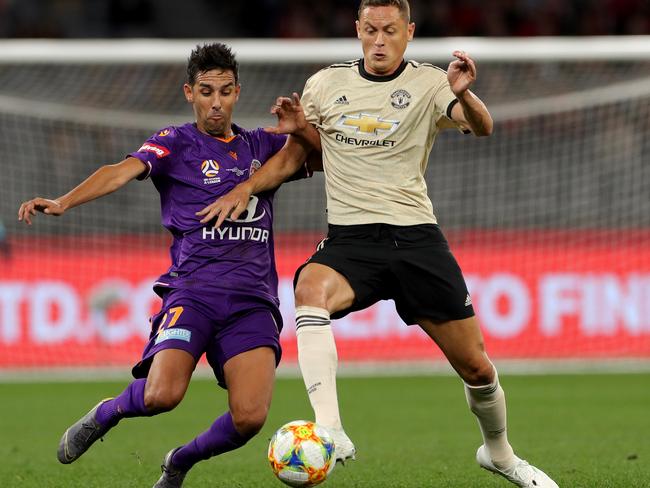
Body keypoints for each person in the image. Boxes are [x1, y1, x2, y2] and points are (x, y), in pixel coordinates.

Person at [197, 1, 560, 487]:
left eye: (390, 30)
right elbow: (297, 158)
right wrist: (248, 185)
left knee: (476, 366)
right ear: (357, 30)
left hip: (416, 239)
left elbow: (482, 126)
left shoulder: (432, 83)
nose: (380, 40)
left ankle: (500, 454)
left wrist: (465, 94)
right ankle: (330, 429)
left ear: (408, 32)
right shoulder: (325, 85)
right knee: (309, 287)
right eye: (371, 30)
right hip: (351, 239)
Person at [17, 42, 316, 488]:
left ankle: (179, 462)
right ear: (189, 93)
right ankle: (108, 411)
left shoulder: (262, 146)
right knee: (162, 395)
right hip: (193, 292)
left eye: (225, 91)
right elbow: (120, 169)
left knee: (250, 418)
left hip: (252, 300)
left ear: (238, 92)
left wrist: (303, 129)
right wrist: (64, 201)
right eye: (206, 91)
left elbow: (326, 157)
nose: (216, 102)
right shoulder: (175, 142)